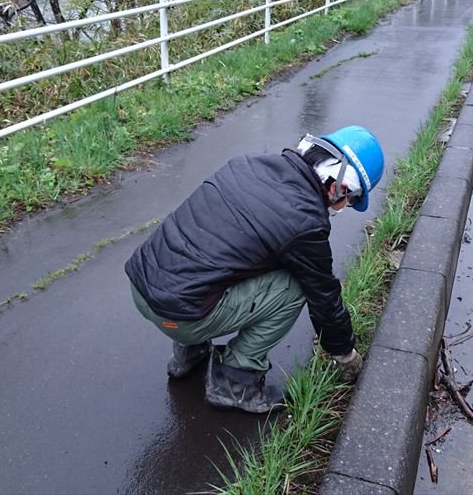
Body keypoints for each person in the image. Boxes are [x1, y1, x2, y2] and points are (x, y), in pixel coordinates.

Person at [125, 126, 385, 413]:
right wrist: (345, 355)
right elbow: (324, 297)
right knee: (295, 286)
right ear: (340, 186)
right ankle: (236, 382)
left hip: (143, 286)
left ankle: (191, 351)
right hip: (180, 316)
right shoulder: (306, 221)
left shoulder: (248, 164)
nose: (345, 205)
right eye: (350, 199)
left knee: (219, 258)